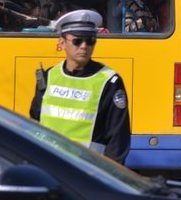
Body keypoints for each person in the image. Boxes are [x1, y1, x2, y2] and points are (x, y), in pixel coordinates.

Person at [30, 10, 130, 164]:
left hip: (87, 172)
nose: (84, 46)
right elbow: (35, 122)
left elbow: (118, 138)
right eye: (77, 41)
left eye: (90, 41)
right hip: (48, 165)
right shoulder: (48, 76)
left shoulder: (109, 81)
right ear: (62, 43)